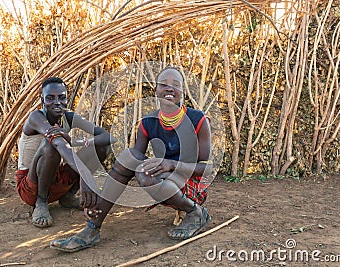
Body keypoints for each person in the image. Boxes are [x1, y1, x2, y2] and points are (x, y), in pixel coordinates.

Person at [50, 66, 213, 252]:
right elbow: (131, 163)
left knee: (145, 176)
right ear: (156, 91)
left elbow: (206, 169)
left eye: (176, 85)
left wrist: (171, 164)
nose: (170, 88)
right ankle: (92, 227)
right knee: (132, 158)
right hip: (165, 183)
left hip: (191, 184)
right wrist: (92, 186)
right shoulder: (148, 122)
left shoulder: (198, 120)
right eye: (164, 85)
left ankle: (195, 212)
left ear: (183, 92)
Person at [16, 76, 115, 228]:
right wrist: (85, 174)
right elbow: (57, 143)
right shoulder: (36, 117)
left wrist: (75, 141)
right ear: (41, 99)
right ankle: (41, 202)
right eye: (50, 98)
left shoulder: (68, 117)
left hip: (57, 180)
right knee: (50, 144)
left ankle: (68, 196)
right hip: (31, 187)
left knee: (102, 147)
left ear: (67, 99)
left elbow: (109, 137)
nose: (57, 102)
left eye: (61, 98)